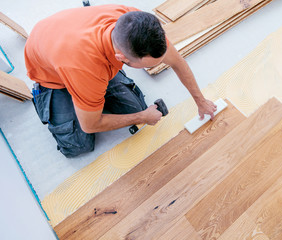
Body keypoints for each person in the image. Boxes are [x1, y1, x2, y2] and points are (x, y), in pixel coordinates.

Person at [24, 4, 217, 158]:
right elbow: (90, 125)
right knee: (79, 145)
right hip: (52, 76)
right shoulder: (86, 68)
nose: (154, 67)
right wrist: (143, 117)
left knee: (135, 107)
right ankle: (52, 97)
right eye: (148, 66)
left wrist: (201, 101)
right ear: (121, 58)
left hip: (71, 44)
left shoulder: (137, 24)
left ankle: (91, 97)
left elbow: (177, 62)